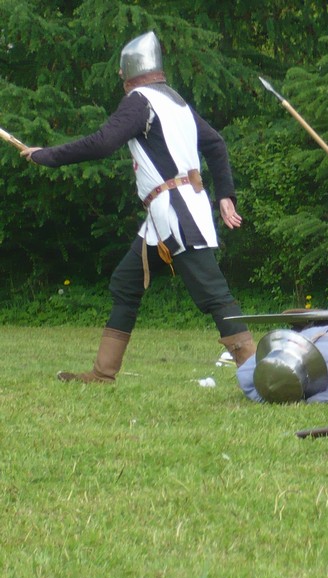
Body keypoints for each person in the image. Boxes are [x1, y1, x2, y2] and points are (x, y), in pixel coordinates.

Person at [21, 31, 256, 383]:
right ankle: (103, 373)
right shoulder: (175, 101)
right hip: (162, 216)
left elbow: (102, 143)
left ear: (129, 70)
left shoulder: (140, 101)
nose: (120, 77)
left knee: (214, 294)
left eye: (121, 71)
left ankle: (258, 375)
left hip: (178, 214)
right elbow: (216, 143)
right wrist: (225, 194)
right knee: (126, 283)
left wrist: (48, 155)